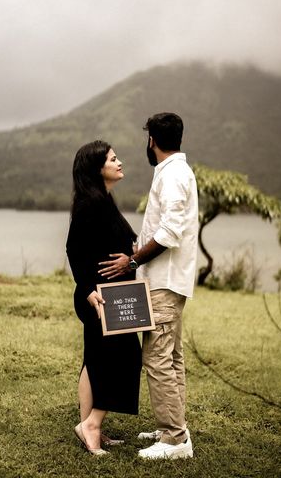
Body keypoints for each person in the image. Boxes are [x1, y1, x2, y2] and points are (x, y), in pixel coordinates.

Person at [98, 112, 198, 460]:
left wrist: (133, 259)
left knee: (156, 356)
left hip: (164, 282)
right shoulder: (177, 172)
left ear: (151, 140)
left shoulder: (172, 176)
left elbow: (169, 233)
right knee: (171, 357)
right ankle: (173, 426)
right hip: (170, 281)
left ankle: (174, 439)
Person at [66, 140, 142, 456]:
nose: (119, 162)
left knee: (94, 361)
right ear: (98, 168)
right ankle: (92, 424)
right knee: (126, 357)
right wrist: (88, 290)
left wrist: (134, 254)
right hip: (100, 298)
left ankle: (89, 428)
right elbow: (73, 249)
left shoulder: (103, 200)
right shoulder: (91, 203)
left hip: (107, 294)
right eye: (113, 159)